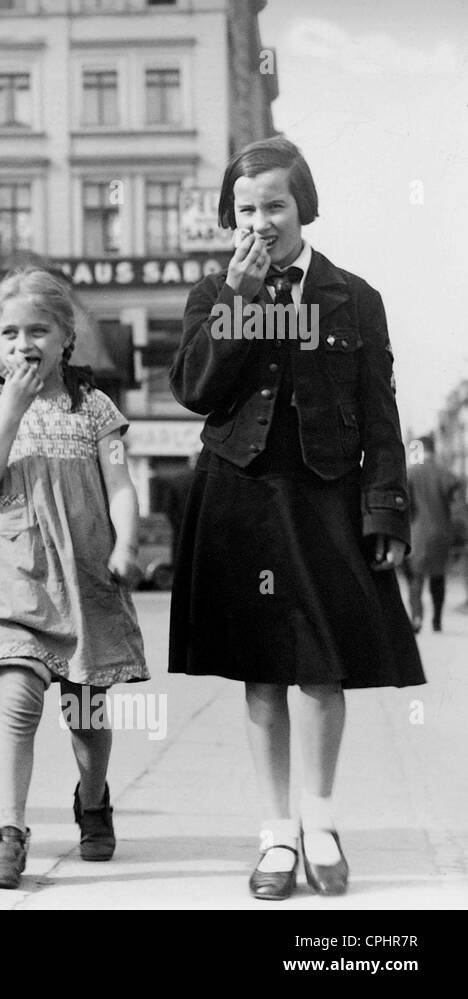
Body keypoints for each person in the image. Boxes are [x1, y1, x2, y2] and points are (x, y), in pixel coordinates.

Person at [169, 137, 423, 901]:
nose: (260, 222)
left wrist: (384, 506)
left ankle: (320, 822)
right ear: (229, 215)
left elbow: (382, 413)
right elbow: (196, 391)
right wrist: (239, 304)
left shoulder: (354, 297)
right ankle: (275, 832)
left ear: (302, 206)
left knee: (323, 667)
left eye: (274, 205)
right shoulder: (213, 294)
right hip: (239, 498)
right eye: (245, 209)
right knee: (262, 672)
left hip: (323, 500)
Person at [0, 268, 148, 889]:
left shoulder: (95, 409)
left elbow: (120, 486)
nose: (23, 343)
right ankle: (10, 831)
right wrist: (10, 411)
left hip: (84, 580)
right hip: (14, 578)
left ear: (65, 336)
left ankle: (92, 799)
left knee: (86, 714)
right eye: (9, 332)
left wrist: (126, 542)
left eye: (37, 329)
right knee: (19, 702)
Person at [403, 436, 462, 632]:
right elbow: (457, 508)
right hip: (441, 533)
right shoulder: (447, 475)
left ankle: (417, 617)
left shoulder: (409, 474)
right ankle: (437, 620)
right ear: (434, 450)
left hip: (415, 533)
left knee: (415, 579)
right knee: (438, 577)